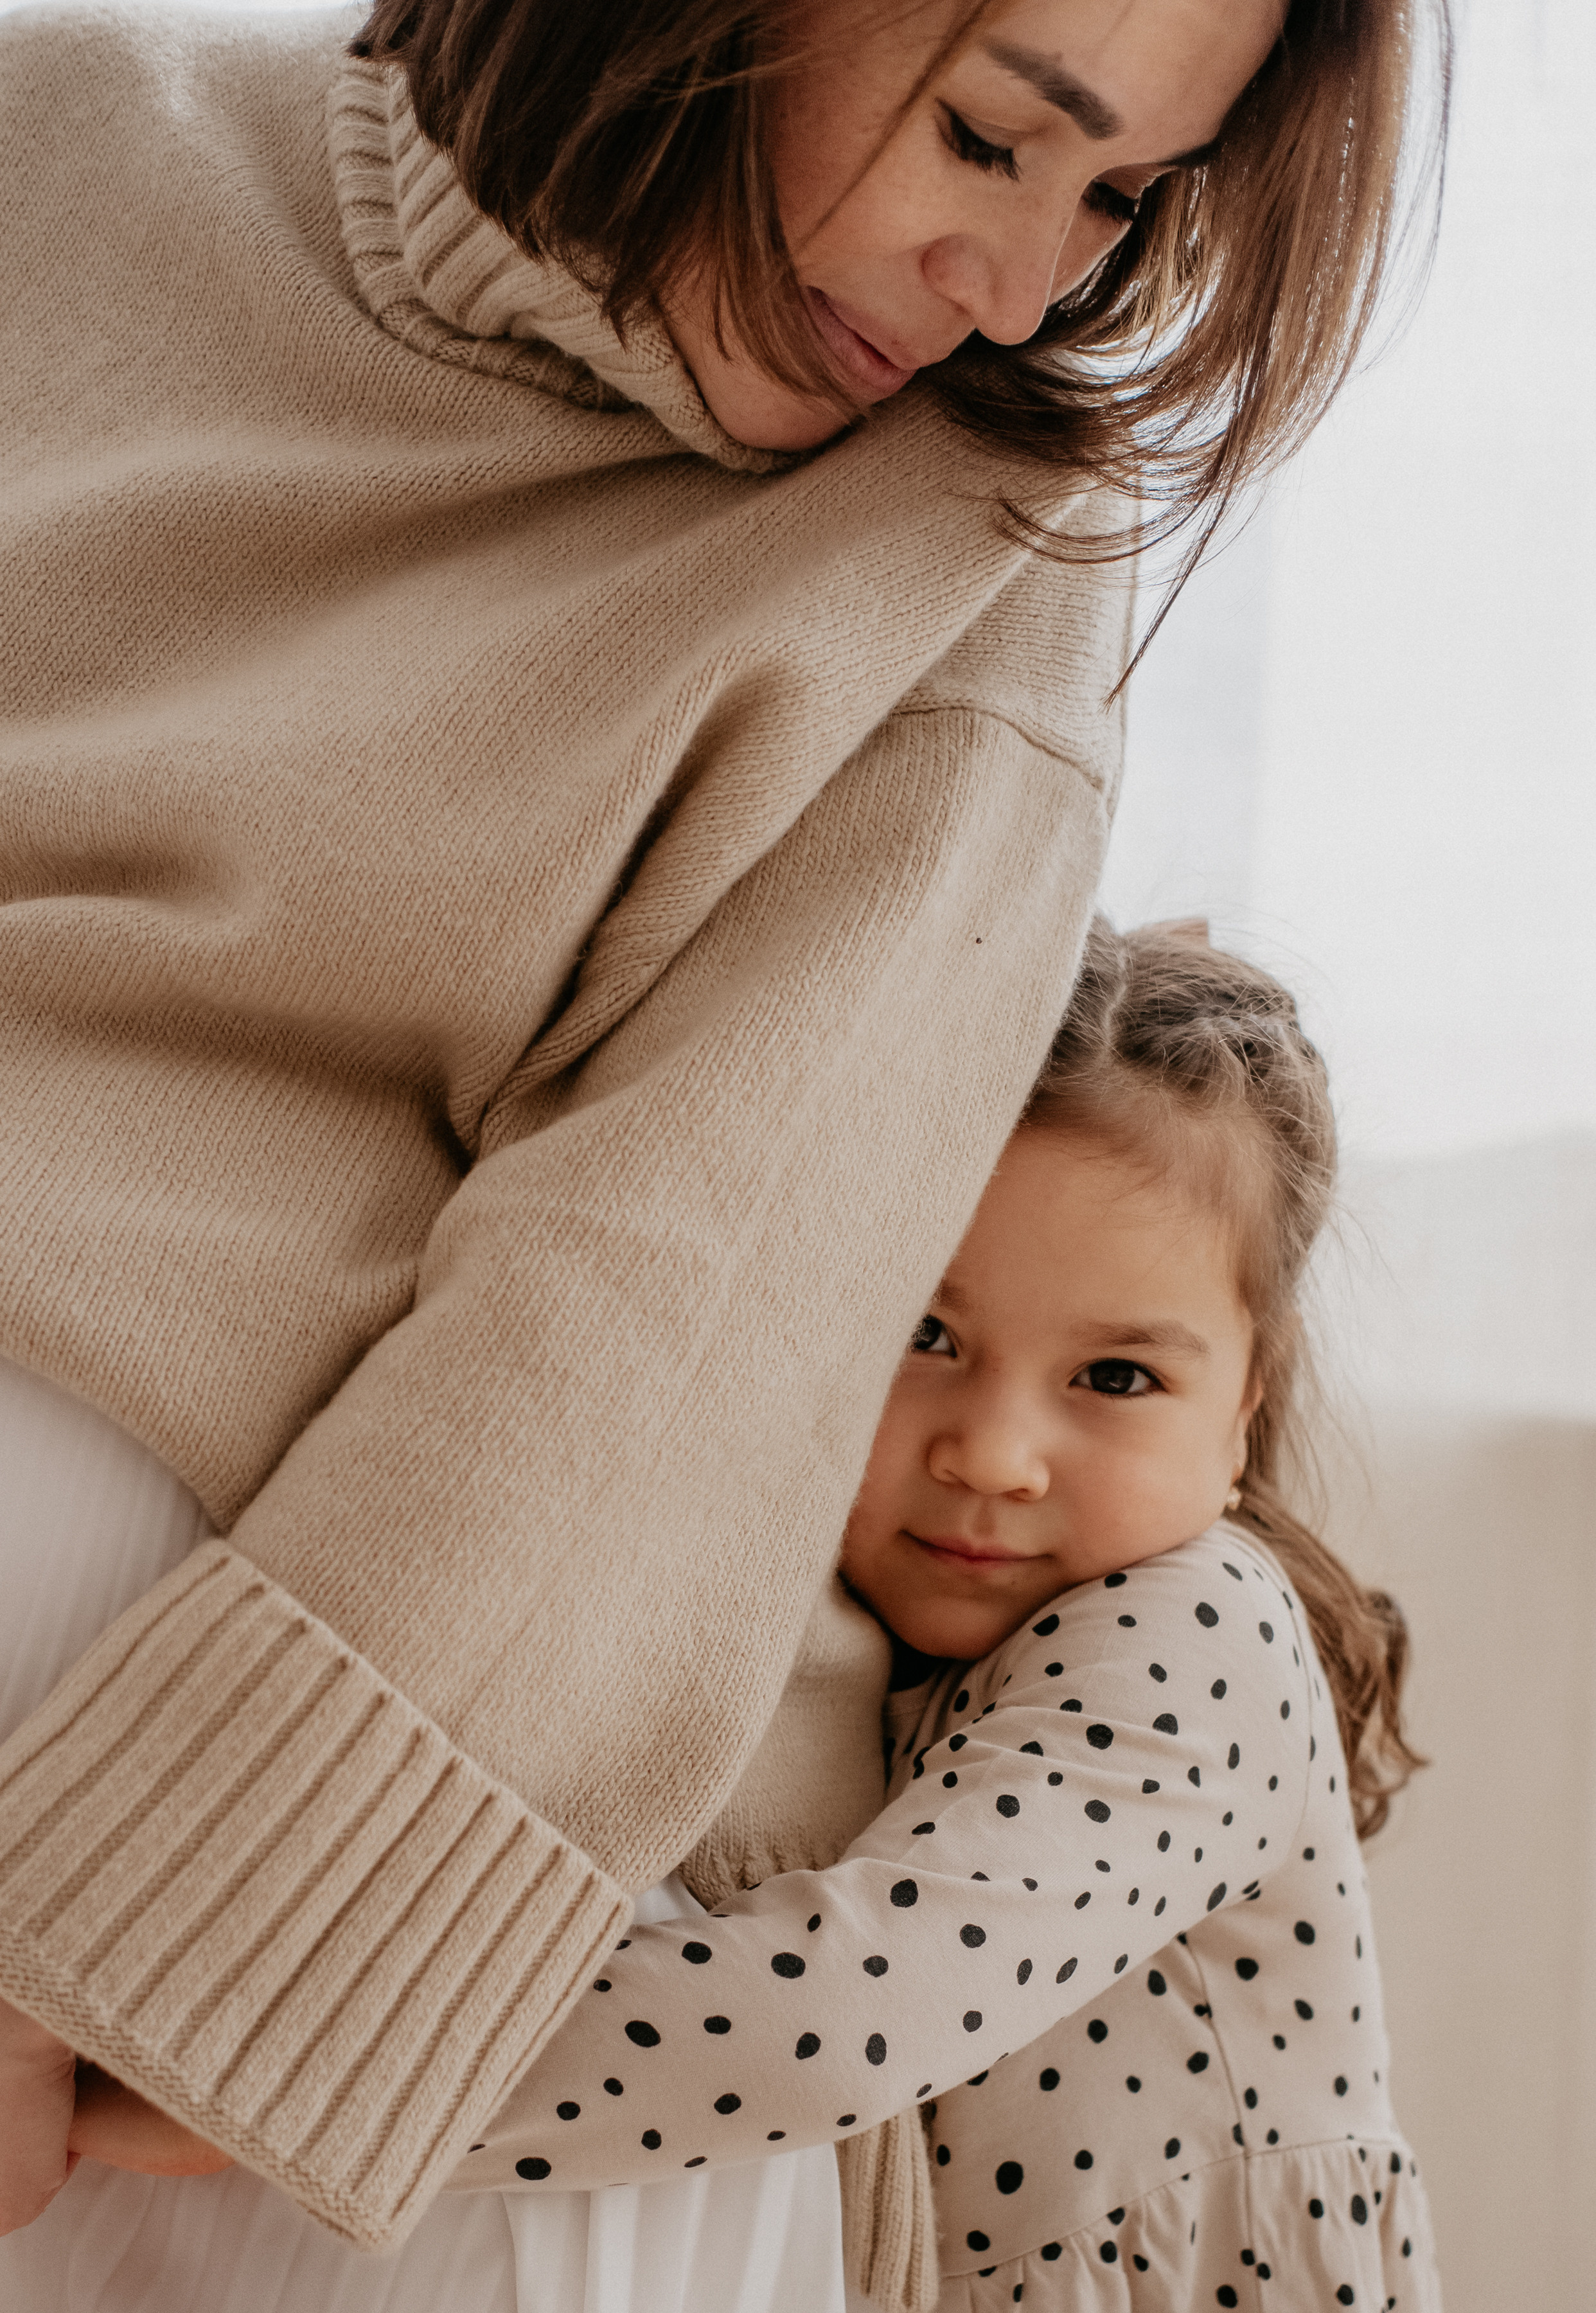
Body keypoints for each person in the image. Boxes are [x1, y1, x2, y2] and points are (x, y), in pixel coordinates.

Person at [0, 0, 1444, 2303]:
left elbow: (666, 1314)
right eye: (985, 136)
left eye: (1111, 200)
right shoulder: (60, 140)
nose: (1016, 286)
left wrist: (221, 1978)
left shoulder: (970, 548)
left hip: (349, 1889)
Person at [444, 917, 1441, 2309]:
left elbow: (840, 2012)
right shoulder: (853, 1638)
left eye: (1116, 1378)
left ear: (1241, 1419)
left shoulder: (1203, 1627)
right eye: (923, 1335)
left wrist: (337, 2087)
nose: (994, 1455)